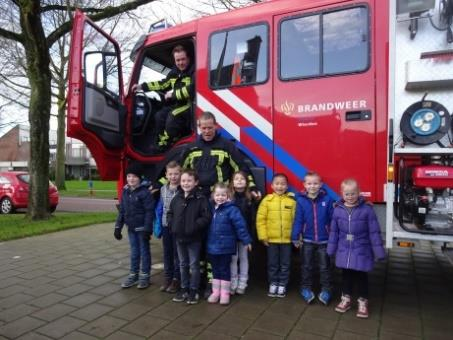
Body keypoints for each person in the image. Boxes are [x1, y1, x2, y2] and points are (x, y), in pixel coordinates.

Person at [327, 178, 386, 319]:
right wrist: (330, 249)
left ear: (359, 192)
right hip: (344, 250)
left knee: (361, 277)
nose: (350, 196)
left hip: (362, 250)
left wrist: (379, 252)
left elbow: (374, 231)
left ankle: (363, 302)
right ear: (342, 193)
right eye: (347, 194)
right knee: (346, 276)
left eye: (353, 193)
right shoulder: (337, 211)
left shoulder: (367, 210)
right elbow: (334, 232)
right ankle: (346, 299)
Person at [133, 45, 194, 151]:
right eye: (177, 60)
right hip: (178, 104)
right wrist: (142, 87)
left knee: (173, 116)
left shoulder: (194, 71)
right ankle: (160, 143)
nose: (180, 63)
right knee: (159, 116)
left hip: (190, 104)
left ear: (188, 58)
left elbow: (192, 90)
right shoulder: (174, 73)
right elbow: (163, 84)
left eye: (183, 59)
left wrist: (173, 94)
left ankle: (165, 145)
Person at [167, 169, 212, 304]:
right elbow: (170, 213)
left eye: (189, 181)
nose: (186, 183)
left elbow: (206, 217)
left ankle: (194, 290)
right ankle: (184, 289)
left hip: (194, 238)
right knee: (182, 264)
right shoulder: (177, 198)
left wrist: (194, 226)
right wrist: (172, 224)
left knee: (194, 265)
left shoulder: (201, 199)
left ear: (196, 182)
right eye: (183, 181)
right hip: (179, 237)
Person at [291, 172, 335, 305]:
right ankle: (305, 288)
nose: (312, 186)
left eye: (315, 183)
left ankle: (326, 290)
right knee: (306, 266)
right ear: (304, 185)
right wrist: (295, 237)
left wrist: (334, 237)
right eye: (309, 183)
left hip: (324, 241)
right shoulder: (301, 200)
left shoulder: (327, 200)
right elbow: (298, 220)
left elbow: (333, 220)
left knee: (325, 267)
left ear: (321, 185)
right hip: (307, 240)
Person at [206, 183, 252, 305]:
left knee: (225, 269)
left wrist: (246, 240)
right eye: (217, 195)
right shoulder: (211, 209)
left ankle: (225, 293)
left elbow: (240, 226)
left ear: (228, 196)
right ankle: (216, 292)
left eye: (223, 195)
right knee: (215, 270)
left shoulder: (232, 209)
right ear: (213, 196)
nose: (220, 197)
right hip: (212, 246)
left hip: (226, 246)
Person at [114, 162, 154, 289]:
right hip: (131, 228)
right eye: (129, 176)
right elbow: (122, 210)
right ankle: (133, 275)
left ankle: (145, 276)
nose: (131, 179)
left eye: (134, 176)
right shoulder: (125, 191)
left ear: (140, 178)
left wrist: (148, 229)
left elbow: (149, 211)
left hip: (142, 229)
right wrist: (117, 227)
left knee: (144, 252)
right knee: (134, 252)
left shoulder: (145, 193)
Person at [256, 173, 296, 298]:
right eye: (277, 184)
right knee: (273, 264)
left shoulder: (291, 201)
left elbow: (296, 220)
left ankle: (282, 284)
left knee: (285, 264)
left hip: (286, 241)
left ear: (287, 186)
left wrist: (295, 237)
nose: (280, 186)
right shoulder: (266, 200)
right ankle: (273, 283)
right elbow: (260, 220)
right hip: (271, 240)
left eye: (283, 184)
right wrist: (263, 237)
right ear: (272, 185)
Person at [155, 161, 181, 293]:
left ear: (180, 174)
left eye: (176, 174)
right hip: (166, 225)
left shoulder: (183, 189)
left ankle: (176, 279)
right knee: (167, 253)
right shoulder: (163, 189)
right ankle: (167, 278)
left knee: (177, 254)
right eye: (170, 174)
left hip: (178, 227)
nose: (173, 177)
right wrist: (158, 225)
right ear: (166, 175)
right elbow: (162, 208)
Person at [229, 170, 256, 295]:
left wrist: (250, 236)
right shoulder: (229, 198)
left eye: (242, 179)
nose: (239, 181)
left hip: (245, 235)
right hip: (232, 234)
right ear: (232, 182)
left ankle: (243, 282)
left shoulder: (250, 198)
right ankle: (233, 282)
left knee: (244, 258)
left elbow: (252, 219)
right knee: (233, 258)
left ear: (247, 182)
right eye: (236, 179)